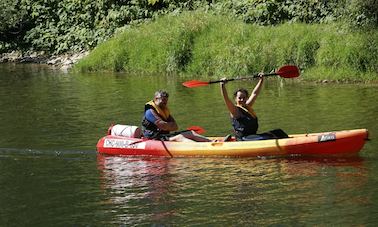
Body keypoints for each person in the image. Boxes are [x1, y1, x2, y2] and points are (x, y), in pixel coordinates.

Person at [220, 73, 288, 141]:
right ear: (235, 99)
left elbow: (255, 93)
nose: (242, 100)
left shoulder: (247, 106)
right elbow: (226, 99)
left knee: (279, 132)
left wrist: (261, 80)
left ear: (247, 98)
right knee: (267, 138)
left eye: (244, 98)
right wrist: (222, 85)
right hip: (243, 139)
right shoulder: (235, 110)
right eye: (239, 98)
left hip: (253, 137)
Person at [141, 90, 211, 142]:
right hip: (154, 138)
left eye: (166, 100)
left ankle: (210, 142)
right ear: (156, 99)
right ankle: (202, 148)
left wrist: (167, 125)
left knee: (191, 132)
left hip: (164, 136)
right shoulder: (150, 111)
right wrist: (168, 125)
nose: (165, 102)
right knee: (179, 137)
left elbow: (175, 127)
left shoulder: (164, 110)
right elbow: (163, 126)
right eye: (163, 100)